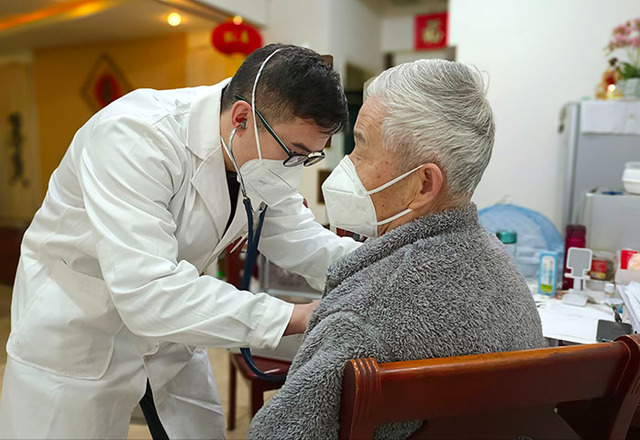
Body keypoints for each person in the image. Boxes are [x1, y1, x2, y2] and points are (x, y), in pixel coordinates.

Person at [0, 44, 361, 439]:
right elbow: (149, 292)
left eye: (308, 157)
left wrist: (381, 265)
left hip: (170, 337)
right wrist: (296, 317)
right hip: (78, 334)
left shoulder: (256, 154)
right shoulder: (134, 136)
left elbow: (302, 239)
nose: (296, 168)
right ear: (241, 118)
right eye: (294, 152)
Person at [248, 59, 545, 440]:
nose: (347, 165)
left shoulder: (362, 321)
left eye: (361, 148)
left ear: (423, 185)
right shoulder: (507, 277)